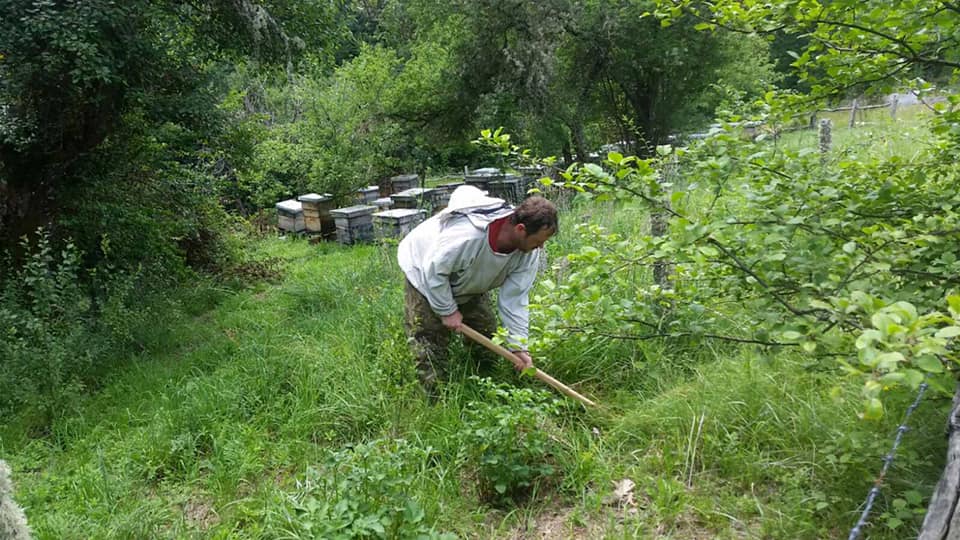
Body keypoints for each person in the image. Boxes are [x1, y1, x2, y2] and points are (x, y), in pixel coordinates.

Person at [397, 185, 558, 397]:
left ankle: (486, 387)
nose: (541, 247)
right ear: (520, 229)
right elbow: (434, 271)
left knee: (484, 331)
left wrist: (519, 347)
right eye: (539, 241)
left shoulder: (528, 253)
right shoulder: (468, 237)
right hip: (425, 273)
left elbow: (515, 299)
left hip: (469, 278)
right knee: (429, 340)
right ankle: (435, 397)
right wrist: (447, 310)